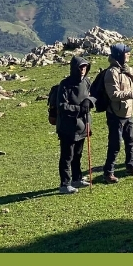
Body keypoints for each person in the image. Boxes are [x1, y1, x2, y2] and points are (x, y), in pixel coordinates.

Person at [90, 44, 133, 182]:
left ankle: (131, 166)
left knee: (130, 141)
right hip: (115, 114)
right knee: (115, 144)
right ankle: (108, 173)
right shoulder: (111, 73)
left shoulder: (125, 69)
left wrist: (129, 70)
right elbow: (113, 94)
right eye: (126, 53)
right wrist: (132, 94)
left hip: (128, 112)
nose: (129, 54)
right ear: (120, 55)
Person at [46, 54, 95, 195]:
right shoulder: (65, 84)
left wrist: (89, 101)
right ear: (74, 68)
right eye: (80, 67)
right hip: (68, 127)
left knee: (78, 154)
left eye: (85, 67)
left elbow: (93, 95)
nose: (83, 70)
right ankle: (65, 184)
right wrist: (80, 109)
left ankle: (77, 179)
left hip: (82, 125)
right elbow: (62, 106)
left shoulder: (86, 82)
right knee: (67, 156)